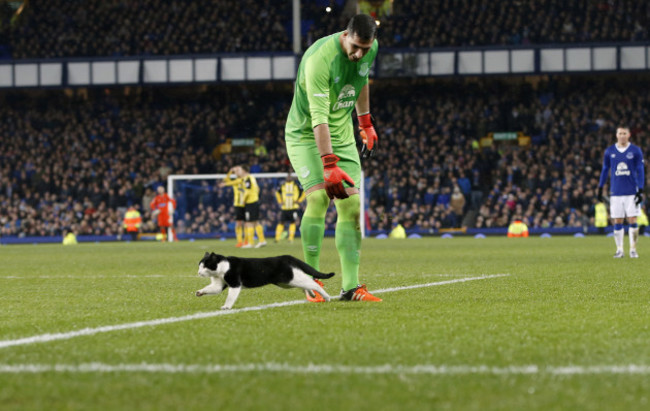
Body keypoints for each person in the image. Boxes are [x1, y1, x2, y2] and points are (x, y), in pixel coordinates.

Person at [284, 14, 381, 302]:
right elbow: (318, 118)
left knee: (351, 205)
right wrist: (328, 164)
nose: (360, 53)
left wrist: (365, 123)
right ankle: (310, 282)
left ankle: (351, 287)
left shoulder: (369, 49)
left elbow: (361, 79)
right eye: (355, 47)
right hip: (306, 134)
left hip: (341, 132)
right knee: (318, 198)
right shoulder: (319, 60)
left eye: (365, 48)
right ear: (345, 35)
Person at [598, 125, 645, 258]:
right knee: (617, 220)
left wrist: (640, 189)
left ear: (629, 135)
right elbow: (605, 169)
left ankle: (633, 249)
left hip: (631, 191)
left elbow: (640, 170)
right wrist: (600, 187)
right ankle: (619, 250)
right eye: (620, 133)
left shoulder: (635, 151)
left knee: (632, 219)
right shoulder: (610, 151)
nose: (622, 135)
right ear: (616, 135)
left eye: (625, 133)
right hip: (616, 192)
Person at [238, 165, 267, 248]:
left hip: (250, 202)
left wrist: (243, 200)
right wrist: (255, 196)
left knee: (249, 223)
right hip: (254, 201)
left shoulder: (247, 179)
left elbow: (247, 191)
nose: (239, 172)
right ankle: (262, 241)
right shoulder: (252, 178)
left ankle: (250, 243)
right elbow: (257, 189)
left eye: (240, 170)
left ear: (244, 170)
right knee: (255, 222)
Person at [275, 174, 306, 243]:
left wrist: (299, 201)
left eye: (289, 177)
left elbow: (304, 192)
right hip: (284, 208)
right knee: (281, 222)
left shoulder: (296, 185)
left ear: (292, 178)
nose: (288, 178)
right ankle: (277, 238)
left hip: (293, 208)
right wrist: (280, 201)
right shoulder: (282, 185)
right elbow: (277, 193)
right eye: (287, 177)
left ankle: (290, 238)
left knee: (293, 222)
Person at [220, 167, 246, 247]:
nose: (237, 172)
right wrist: (230, 172)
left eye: (238, 170)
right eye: (236, 171)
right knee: (238, 223)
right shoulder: (235, 181)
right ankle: (239, 241)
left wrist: (225, 184)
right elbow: (225, 180)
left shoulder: (245, 179)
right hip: (237, 204)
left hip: (246, 203)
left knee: (246, 223)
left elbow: (226, 183)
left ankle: (246, 241)